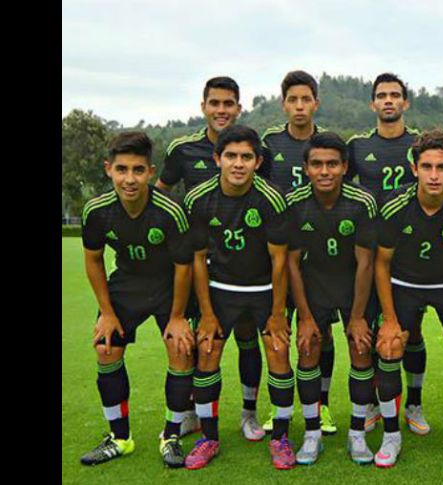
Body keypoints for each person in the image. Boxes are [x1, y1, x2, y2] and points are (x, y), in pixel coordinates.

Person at [155, 77, 266, 441]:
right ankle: (191, 412)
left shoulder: (248, 147)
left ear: (239, 108)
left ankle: (249, 414)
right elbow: (162, 194)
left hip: (244, 268)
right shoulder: (182, 149)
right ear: (203, 106)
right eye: (214, 103)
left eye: (228, 104)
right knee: (201, 340)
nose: (221, 110)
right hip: (200, 267)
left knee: (249, 338)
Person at [79, 132, 195, 468]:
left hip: (168, 286)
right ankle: (119, 438)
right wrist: (106, 313)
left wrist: (177, 316)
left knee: (180, 347)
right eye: (122, 169)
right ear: (108, 169)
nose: (130, 179)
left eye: (138, 170)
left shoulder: (170, 212)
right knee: (106, 346)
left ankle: (171, 435)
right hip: (127, 285)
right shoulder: (97, 211)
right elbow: (93, 260)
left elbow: (183, 268)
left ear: (150, 172)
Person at [183, 125, 295, 470]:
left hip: (263, 290)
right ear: (217, 158)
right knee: (208, 352)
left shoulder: (271, 198)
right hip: (220, 288)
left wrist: (277, 313)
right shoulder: (198, 198)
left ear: (258, 161)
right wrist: (206, 312)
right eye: (230, 156)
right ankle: (209, 438)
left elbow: (280, 261)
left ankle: (280, 438)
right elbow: (197, 259)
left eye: (246, 157)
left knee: (277, 352)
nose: (238, 163)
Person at [373, 131, 443, 469]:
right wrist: (389, 318)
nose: (434, 175)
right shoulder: (395, 205)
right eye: (427, 167)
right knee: (390, 345)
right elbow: (381, 263)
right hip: (404, 284)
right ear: (414, 169)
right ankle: (391, 435)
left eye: (441, 167)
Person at [285, 132, 379, 464]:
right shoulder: (295, 203)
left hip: (353, 286)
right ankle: (312, 434)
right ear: (306, 168)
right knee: (309, 347)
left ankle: (357, 433)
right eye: (317, 164)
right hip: (314, 286)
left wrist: (356, 316)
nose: (325, 171)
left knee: (361, 347)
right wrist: (306, 317)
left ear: (344, 167)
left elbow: (366, 261)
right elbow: (292, 263)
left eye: (332, 164)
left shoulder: (362, 202)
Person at [346, 72, 428, 435]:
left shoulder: (420, 144)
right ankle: (375, 404)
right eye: (382, 95)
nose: (389, 101)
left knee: (411, 331)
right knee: (372, 329)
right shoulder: (358, 146)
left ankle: (414, 402)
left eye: (395, 95)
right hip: (370, 250)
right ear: (373, 103)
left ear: (406, 102)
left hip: (410, 251)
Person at [261, 70, 338, 436]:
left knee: (321, 332)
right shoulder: (270, 142)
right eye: (292, 100)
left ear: (316, 103)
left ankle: (320, 407)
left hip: (318, 254)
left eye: (306, 99)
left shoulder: (327, 143)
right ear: (283, 104)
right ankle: (279, 409)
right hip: (277, 250)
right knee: (278, 327)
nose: (299, 106)